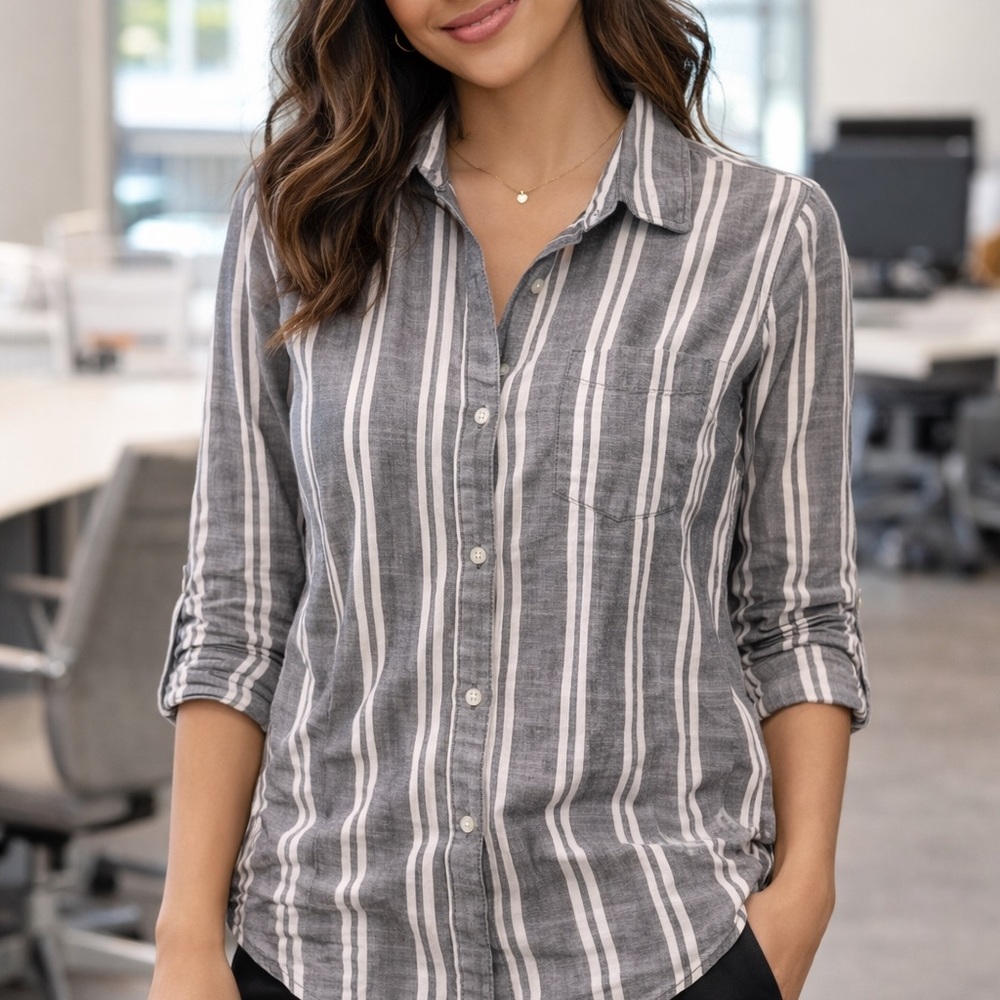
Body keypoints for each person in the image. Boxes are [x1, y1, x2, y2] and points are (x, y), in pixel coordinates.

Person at [150, 0, 870, 998]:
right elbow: (236, 600)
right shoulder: (295, 218)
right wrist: (186, 937)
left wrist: (799, 905)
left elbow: (797, 613)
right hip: (329, 945)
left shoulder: (764, 237)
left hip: (651, 944)